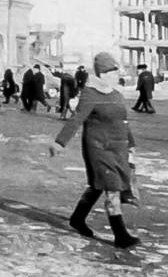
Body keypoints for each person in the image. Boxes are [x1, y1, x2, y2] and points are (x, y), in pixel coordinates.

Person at [49, 51, 140, 249]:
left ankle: (77, 218)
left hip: (117, 149)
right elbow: (76, 119)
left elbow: (123, 122)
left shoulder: (116, 94)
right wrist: (60, 142)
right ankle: (121, 235)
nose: (117, 75)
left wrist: (131, 144)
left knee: (97, 187)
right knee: (112, 189)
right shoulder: (91, 94)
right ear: (104, 73)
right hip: (98, 149)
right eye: (113, 71)